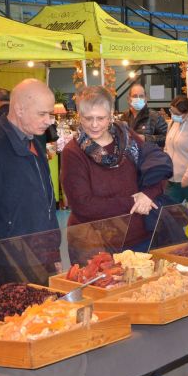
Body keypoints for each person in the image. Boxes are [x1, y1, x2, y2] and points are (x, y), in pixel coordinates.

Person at [61, 86, 168, 263]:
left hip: (139, 239)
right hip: (94, 245)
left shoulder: (127, 137)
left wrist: (148, 194)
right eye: (88, 118)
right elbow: (83, 205)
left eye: (101, 118)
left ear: (111, 113)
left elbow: (157, 168)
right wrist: (134, 201)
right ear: (79, 115)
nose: (94, 125)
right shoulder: (73, 152)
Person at [0, 79, 61, 288]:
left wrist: (54, 252)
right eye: (42, 114)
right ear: (19, 109)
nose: (48, 121)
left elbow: (48, 200)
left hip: (41, 255)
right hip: (9, 260)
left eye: (50, 114)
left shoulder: (34, 140)